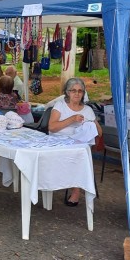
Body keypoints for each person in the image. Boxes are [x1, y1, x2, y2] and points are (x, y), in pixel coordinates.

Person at [47, 77, 102, 206]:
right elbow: (52, 127)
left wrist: (88, 127)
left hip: (78, 146)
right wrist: (72, 119)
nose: (77, 93)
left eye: (80, 91)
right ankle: (52, 183)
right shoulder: (60, 105)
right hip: (58, 143)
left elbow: (99, 132)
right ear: (67, 92)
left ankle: (76, 191)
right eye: (73, 90)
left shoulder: (87, 110)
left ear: (83, 93)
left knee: (79, 155)